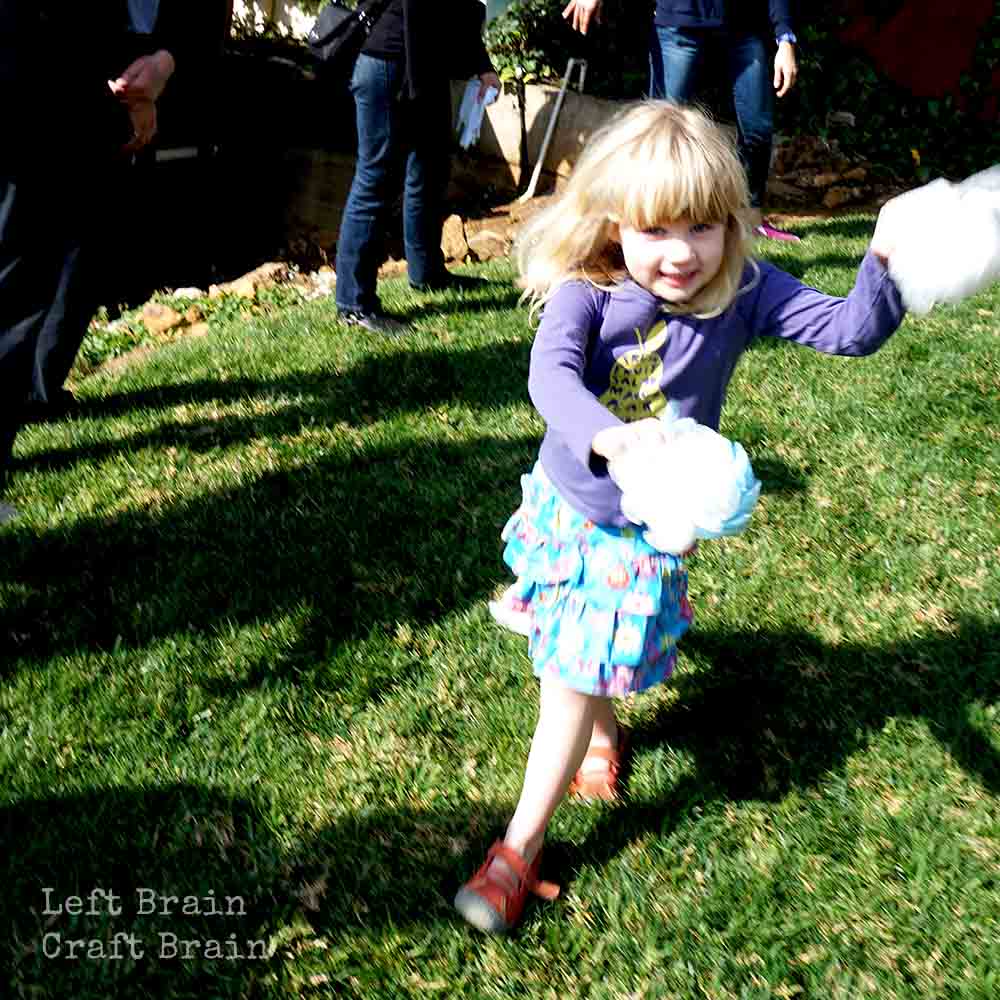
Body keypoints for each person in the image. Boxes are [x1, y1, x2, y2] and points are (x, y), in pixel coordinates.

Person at [453, 101, 905, 934]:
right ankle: (600, 739)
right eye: (656, 229)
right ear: (614, 223)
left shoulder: (744, 289)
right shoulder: (588, 291)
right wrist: (612, 439)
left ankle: (518, 849)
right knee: (576, 652)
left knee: (571, 672)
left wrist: (884, 260)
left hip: (643, 530)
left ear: (732, 224)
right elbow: (551, 380)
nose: (682, 252)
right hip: (572, 501)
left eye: (702, 226)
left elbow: (850, 331)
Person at [0, 2, 200, 521]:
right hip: (33, 103)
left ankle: (39, 388)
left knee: (38, 278)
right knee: (16, 290)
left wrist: (155, 71)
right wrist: (126, 98)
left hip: (61, 100)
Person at [562, 0, 801, 241]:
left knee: (757, 128)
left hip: (744, 27)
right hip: (679, 23)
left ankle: (751, 219)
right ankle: (650, 217)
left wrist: (785, 39)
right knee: (660, 130)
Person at [333, 0, 501, 337]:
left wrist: (482, 66)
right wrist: (416, 84)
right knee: (376, 180)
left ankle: (427, 273)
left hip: (423, 67)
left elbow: (460, 11)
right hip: (391, 63)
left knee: (431, 167)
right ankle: (353, 304)